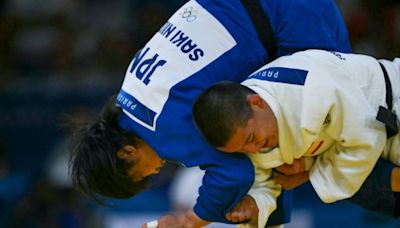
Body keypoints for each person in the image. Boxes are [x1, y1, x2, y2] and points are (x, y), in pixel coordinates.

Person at [69, 0, 355, 227]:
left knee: (351, 135)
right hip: (270, 14)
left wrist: (192, 220)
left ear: (126, 153)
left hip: (291, 21)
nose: (153, 174)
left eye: (142, 178)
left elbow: (234, 173)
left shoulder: (160, 128)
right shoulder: (130, 89)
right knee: (271, 148)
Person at [192, 49, 400, 224]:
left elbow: (364, 137)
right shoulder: (251, 131)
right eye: (243, 150)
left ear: (257, 103)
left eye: (250, 139)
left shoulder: (309, 89)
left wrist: (309, 172)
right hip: (361, 148)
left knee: (357, 182)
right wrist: (254, 202)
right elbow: (268, 181)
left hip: (388, 104)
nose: (254, 149)